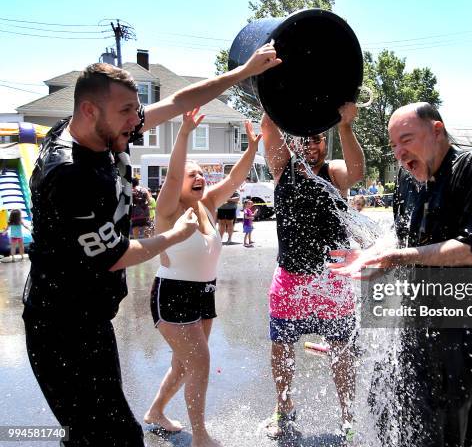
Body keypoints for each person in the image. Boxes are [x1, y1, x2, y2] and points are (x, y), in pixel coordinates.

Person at [23, 44, 280, 447]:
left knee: (93, 434)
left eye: (136, 109)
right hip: (60, 326)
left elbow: (179, 100)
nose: (136, 119)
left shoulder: (101, 132)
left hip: (89, 319)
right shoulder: (69, 174)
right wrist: (176, 235)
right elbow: (118, 256)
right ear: (89, 110)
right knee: (114, 436)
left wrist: (243, 72)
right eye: (126, 110)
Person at [329, 102, 472, 447]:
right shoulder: (408, 182)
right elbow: (399, 238)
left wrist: (396, 257)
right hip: (411, 322)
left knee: (448, 429)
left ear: (436, 130)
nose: (399, 153)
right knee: (386, 411)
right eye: (393, 145)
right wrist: (370, 256)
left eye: (406, 139)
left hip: (459, 330)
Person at [144, 109, 261, 446]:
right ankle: (200, 436)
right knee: (200, 363)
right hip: (172, 293)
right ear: (176, 180)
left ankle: (155, 413)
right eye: (190, 174)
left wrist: (252, 149)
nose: (199, 178)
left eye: (200, 173)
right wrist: (182, 134)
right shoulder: (168, 209)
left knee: (184, 364)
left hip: (204, 292)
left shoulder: (207, 204)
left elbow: (235, 180)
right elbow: (169, 180)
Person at [260, 102, 364, 442]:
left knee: (341, 351)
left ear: (324, 142)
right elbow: (268, 125)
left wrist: (345, 126)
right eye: (304, 139)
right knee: (281, 349)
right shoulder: (281, 167)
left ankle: (348, 417)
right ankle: (284, 409)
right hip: (290, 278)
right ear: (293, 142)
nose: (311, 145)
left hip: (331, 280)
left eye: (317, 139)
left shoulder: (333, 172)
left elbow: (358, 172)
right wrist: (274, 90)